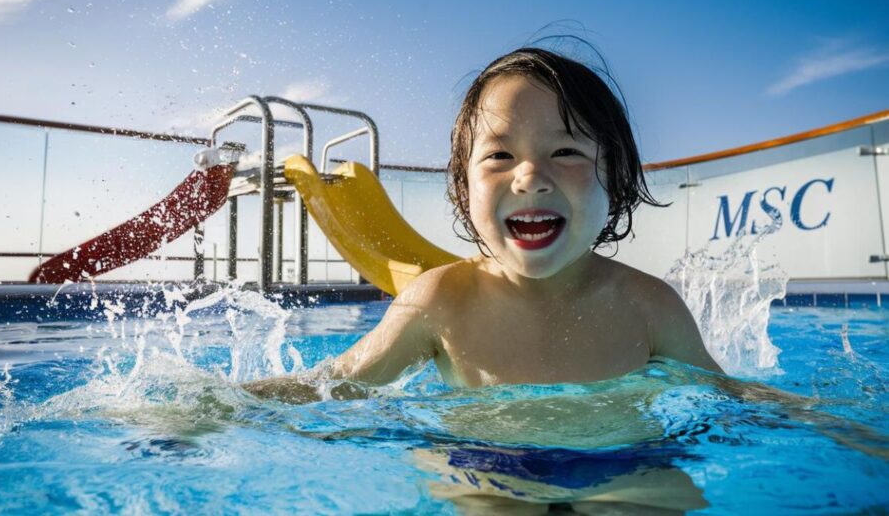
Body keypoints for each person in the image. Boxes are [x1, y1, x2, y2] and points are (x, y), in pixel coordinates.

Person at [245, 46, 723, 402]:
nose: (531, 177)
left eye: (566, 151)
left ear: (615, 180)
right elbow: (334, 383)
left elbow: (729, 399)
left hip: (623, 465)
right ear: (462, 188)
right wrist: (218, 407)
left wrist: (799, 413)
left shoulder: (648, 306)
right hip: (484, 467)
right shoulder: (442, 301)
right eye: (500, 155)